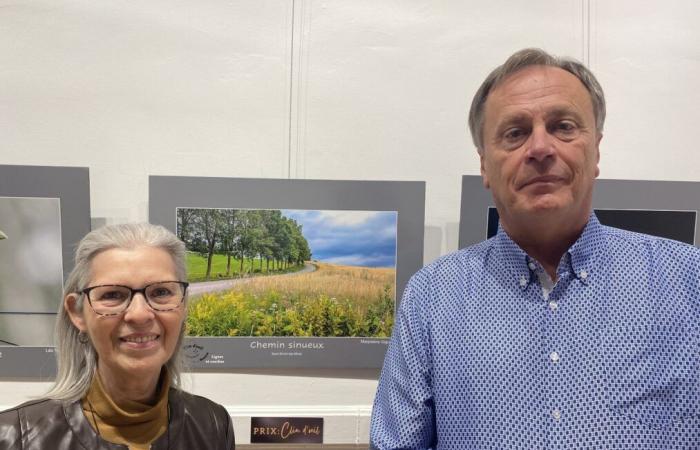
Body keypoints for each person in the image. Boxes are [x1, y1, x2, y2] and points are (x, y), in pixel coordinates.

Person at [370, 48, 699, 449]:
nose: (540, 148)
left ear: (596, 150)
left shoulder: (689, 282)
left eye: (562, 126)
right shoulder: (431, 299)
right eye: (515, 133)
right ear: (484, 167)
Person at [0, 223, 235, 449]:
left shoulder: (213, 425)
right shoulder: (14, 436)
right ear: (77, 312)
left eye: (161, 292)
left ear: (183, 305)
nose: (140, 314)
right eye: (113, 294)